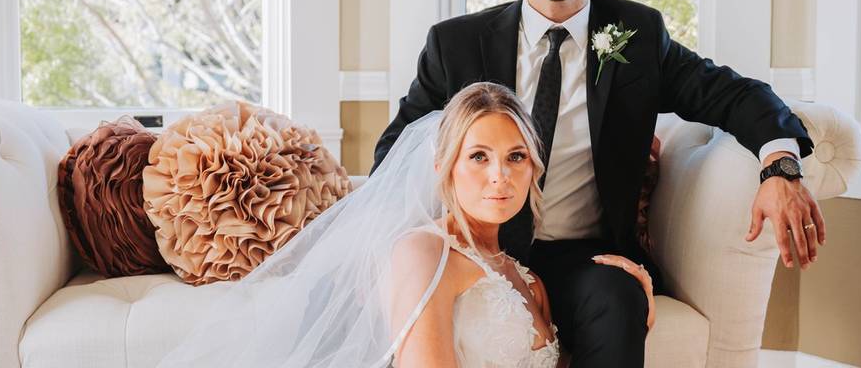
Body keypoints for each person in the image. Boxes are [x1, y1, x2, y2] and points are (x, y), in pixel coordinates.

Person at [373, 0, 825, 367]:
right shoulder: (455, 44)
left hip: (583, 257)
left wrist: (780, 165)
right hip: (478, 248)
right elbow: (395, 153)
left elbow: (735, 94)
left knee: (617, 295)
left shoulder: (639, 36)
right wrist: (448, 241)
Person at [157, 83, 652, 367]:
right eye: (478, 156)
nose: (499, 175)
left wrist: (638, 294)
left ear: (533, 170)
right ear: (444, 167)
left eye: (515, 157)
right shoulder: (423, 252)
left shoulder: (530, 283)